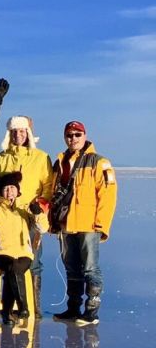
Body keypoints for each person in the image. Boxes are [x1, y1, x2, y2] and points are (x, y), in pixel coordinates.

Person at [48, 121, 117, 325]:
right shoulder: (60, 162)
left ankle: (91, 312)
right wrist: (52, 220)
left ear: (85, 136)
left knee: (90, 268)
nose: (73, 138)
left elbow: (108, 196)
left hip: (88, 225)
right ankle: (73, 308)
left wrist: (101, 224)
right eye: (69, 135)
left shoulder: (99, 162)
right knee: (71, 268)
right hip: (66, 224)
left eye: (77, 134)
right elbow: (53, 192)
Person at [0, 116, 53, 317]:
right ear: (9, 134)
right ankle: (11, 307)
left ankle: (34, 306)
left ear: (28, 133)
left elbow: (48, 186)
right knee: (8, 259)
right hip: (5, 217)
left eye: (22, 131)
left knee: (33, 261)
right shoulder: (0, 158)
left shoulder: (41, 157)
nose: (18, 135)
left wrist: (39, 206)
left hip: (30, 216)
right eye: (14, 132)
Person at [0, 172, 48, 324]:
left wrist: (38, 213)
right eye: (6, 189)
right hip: (2, 253)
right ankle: (23, 306)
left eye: (12, 188)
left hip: (23, 253)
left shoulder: (25, 208)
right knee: (12, 267)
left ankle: (7, 312)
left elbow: (43, 228)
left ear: (17, 190)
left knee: (15, 268)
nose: (9, 191)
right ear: (0, 192)